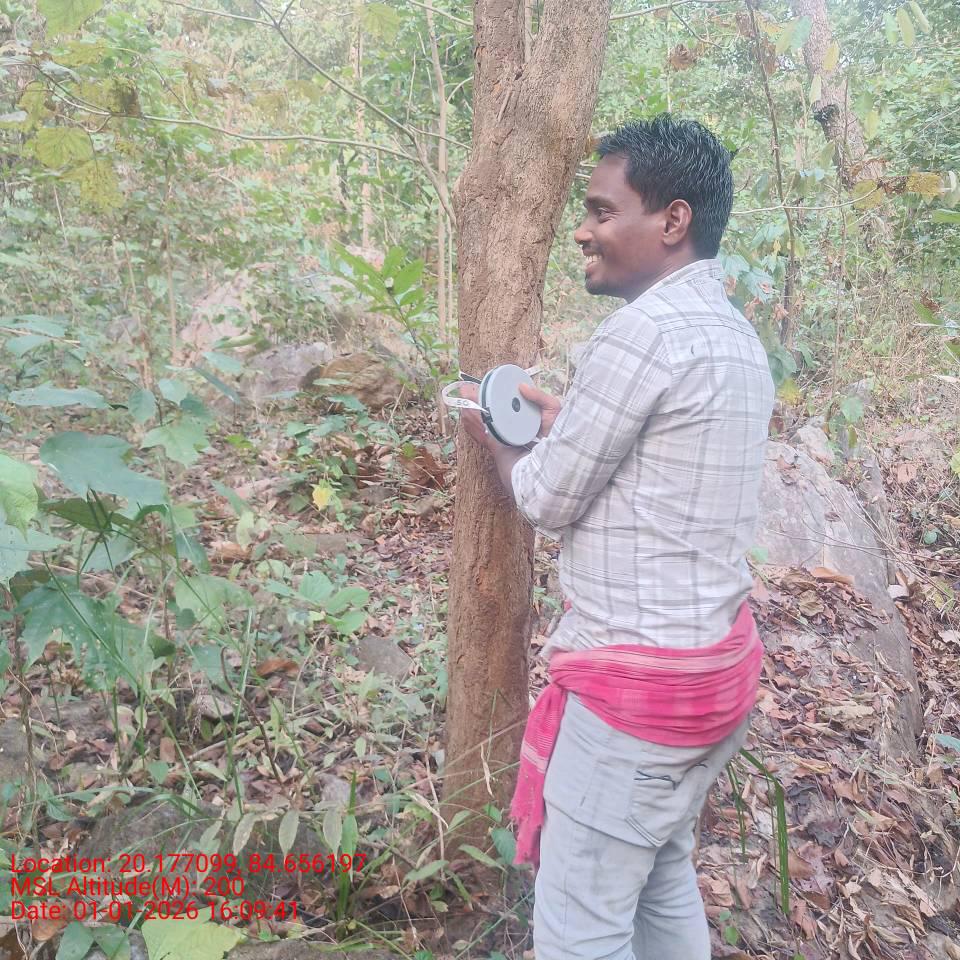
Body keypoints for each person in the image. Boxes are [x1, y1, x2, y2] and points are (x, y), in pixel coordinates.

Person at [458, 114, 775, 960]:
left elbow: (547, 496)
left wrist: (501, 438)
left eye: (602, 211)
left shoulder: (640, 333)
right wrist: (569, 422)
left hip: (637, 705)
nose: (584, 230)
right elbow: (668, 459)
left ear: (672, 220)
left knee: (581, 929)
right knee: (661, 875)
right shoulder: (733, 335)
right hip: (715, 677)